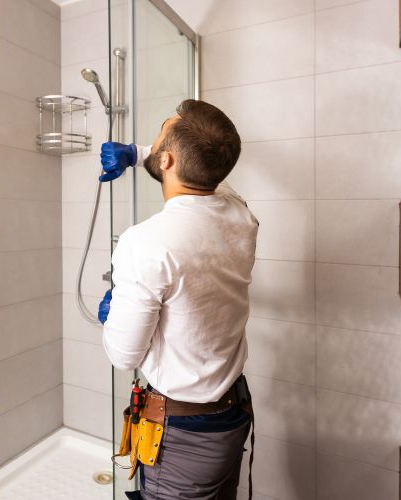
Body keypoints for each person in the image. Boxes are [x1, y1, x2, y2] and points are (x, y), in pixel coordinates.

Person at [97, 99, 258, 500]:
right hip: (229, 416)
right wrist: (138, 154)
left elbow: (123, 356)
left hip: (183, 440)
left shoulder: (146, 242)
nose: (151, 143)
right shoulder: (240, 215)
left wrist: (113, 312)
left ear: (167, 160)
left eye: (158, 137)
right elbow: (210, 170)